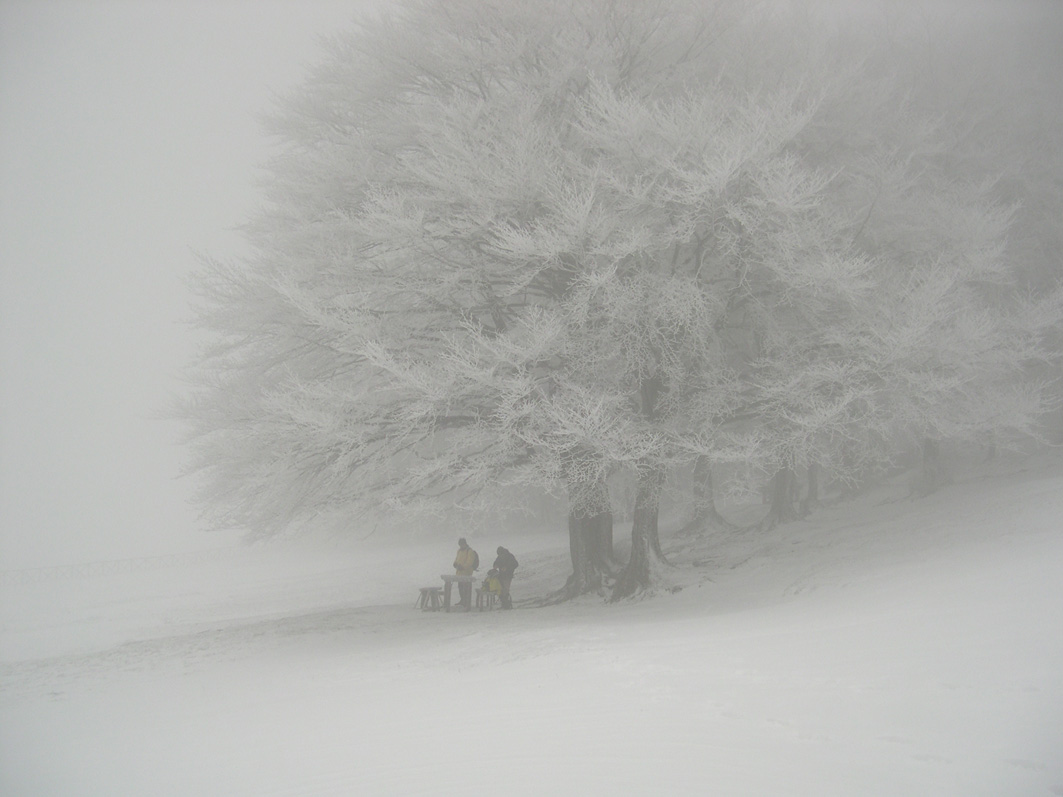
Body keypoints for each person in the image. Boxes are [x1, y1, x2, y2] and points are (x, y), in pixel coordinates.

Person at [452, 537, 478, 609]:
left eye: (461, 544)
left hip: (467, 573)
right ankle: (462, 600)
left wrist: (463, 567)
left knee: (466, 587)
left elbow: (470, 562)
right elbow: (457, 559)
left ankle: (466, 601)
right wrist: (455, 564)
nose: (460, 546)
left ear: (465, 543)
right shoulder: (459, 551)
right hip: (459, 573)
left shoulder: (470, 551)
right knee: (460, 587)